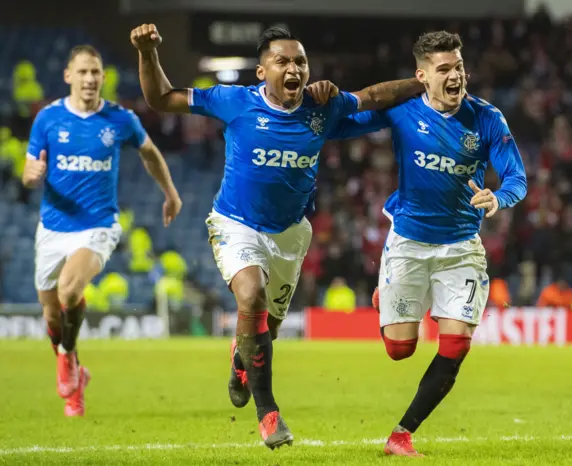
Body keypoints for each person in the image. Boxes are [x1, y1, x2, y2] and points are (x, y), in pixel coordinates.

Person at [130, 23, 423, 449]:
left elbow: (374, 99)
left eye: (300, 61)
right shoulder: (233, 101)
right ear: (262, 71)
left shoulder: (323, 108)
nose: (294, 68)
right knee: (250, 297)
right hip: (235, 223)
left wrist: (421, 82)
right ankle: (268, 413)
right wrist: (147, 53)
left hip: (290, 235)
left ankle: (240, 359)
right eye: (282, 61)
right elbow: (161, 97)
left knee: (268, 326)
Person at [329, 31, 527, 456]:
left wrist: (499, 196)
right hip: (409, 242)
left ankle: (402, 434)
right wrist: (315, 114)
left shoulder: (487, 118)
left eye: (459, 67)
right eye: (444, 70)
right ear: (422, 76)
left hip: (461, 248)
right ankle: (387, 297)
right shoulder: (402, 109)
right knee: (400, 349)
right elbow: (342, 125)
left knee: (455, 345)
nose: (455, 76)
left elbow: (517, 178)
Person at [22, 45, 182, 417]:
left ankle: (64, 356)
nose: (90, 79)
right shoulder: (48, 119)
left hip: (99, 225)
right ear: (68, 76)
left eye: (96, 72)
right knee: (50, 316)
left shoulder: (119, 119)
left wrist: (170, 193)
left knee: (70, 288)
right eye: (82, 72)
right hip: (53, 227)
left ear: (103, 77)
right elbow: (31, 168)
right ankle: (76, 375)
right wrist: (32, 175)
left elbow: (149, 152)